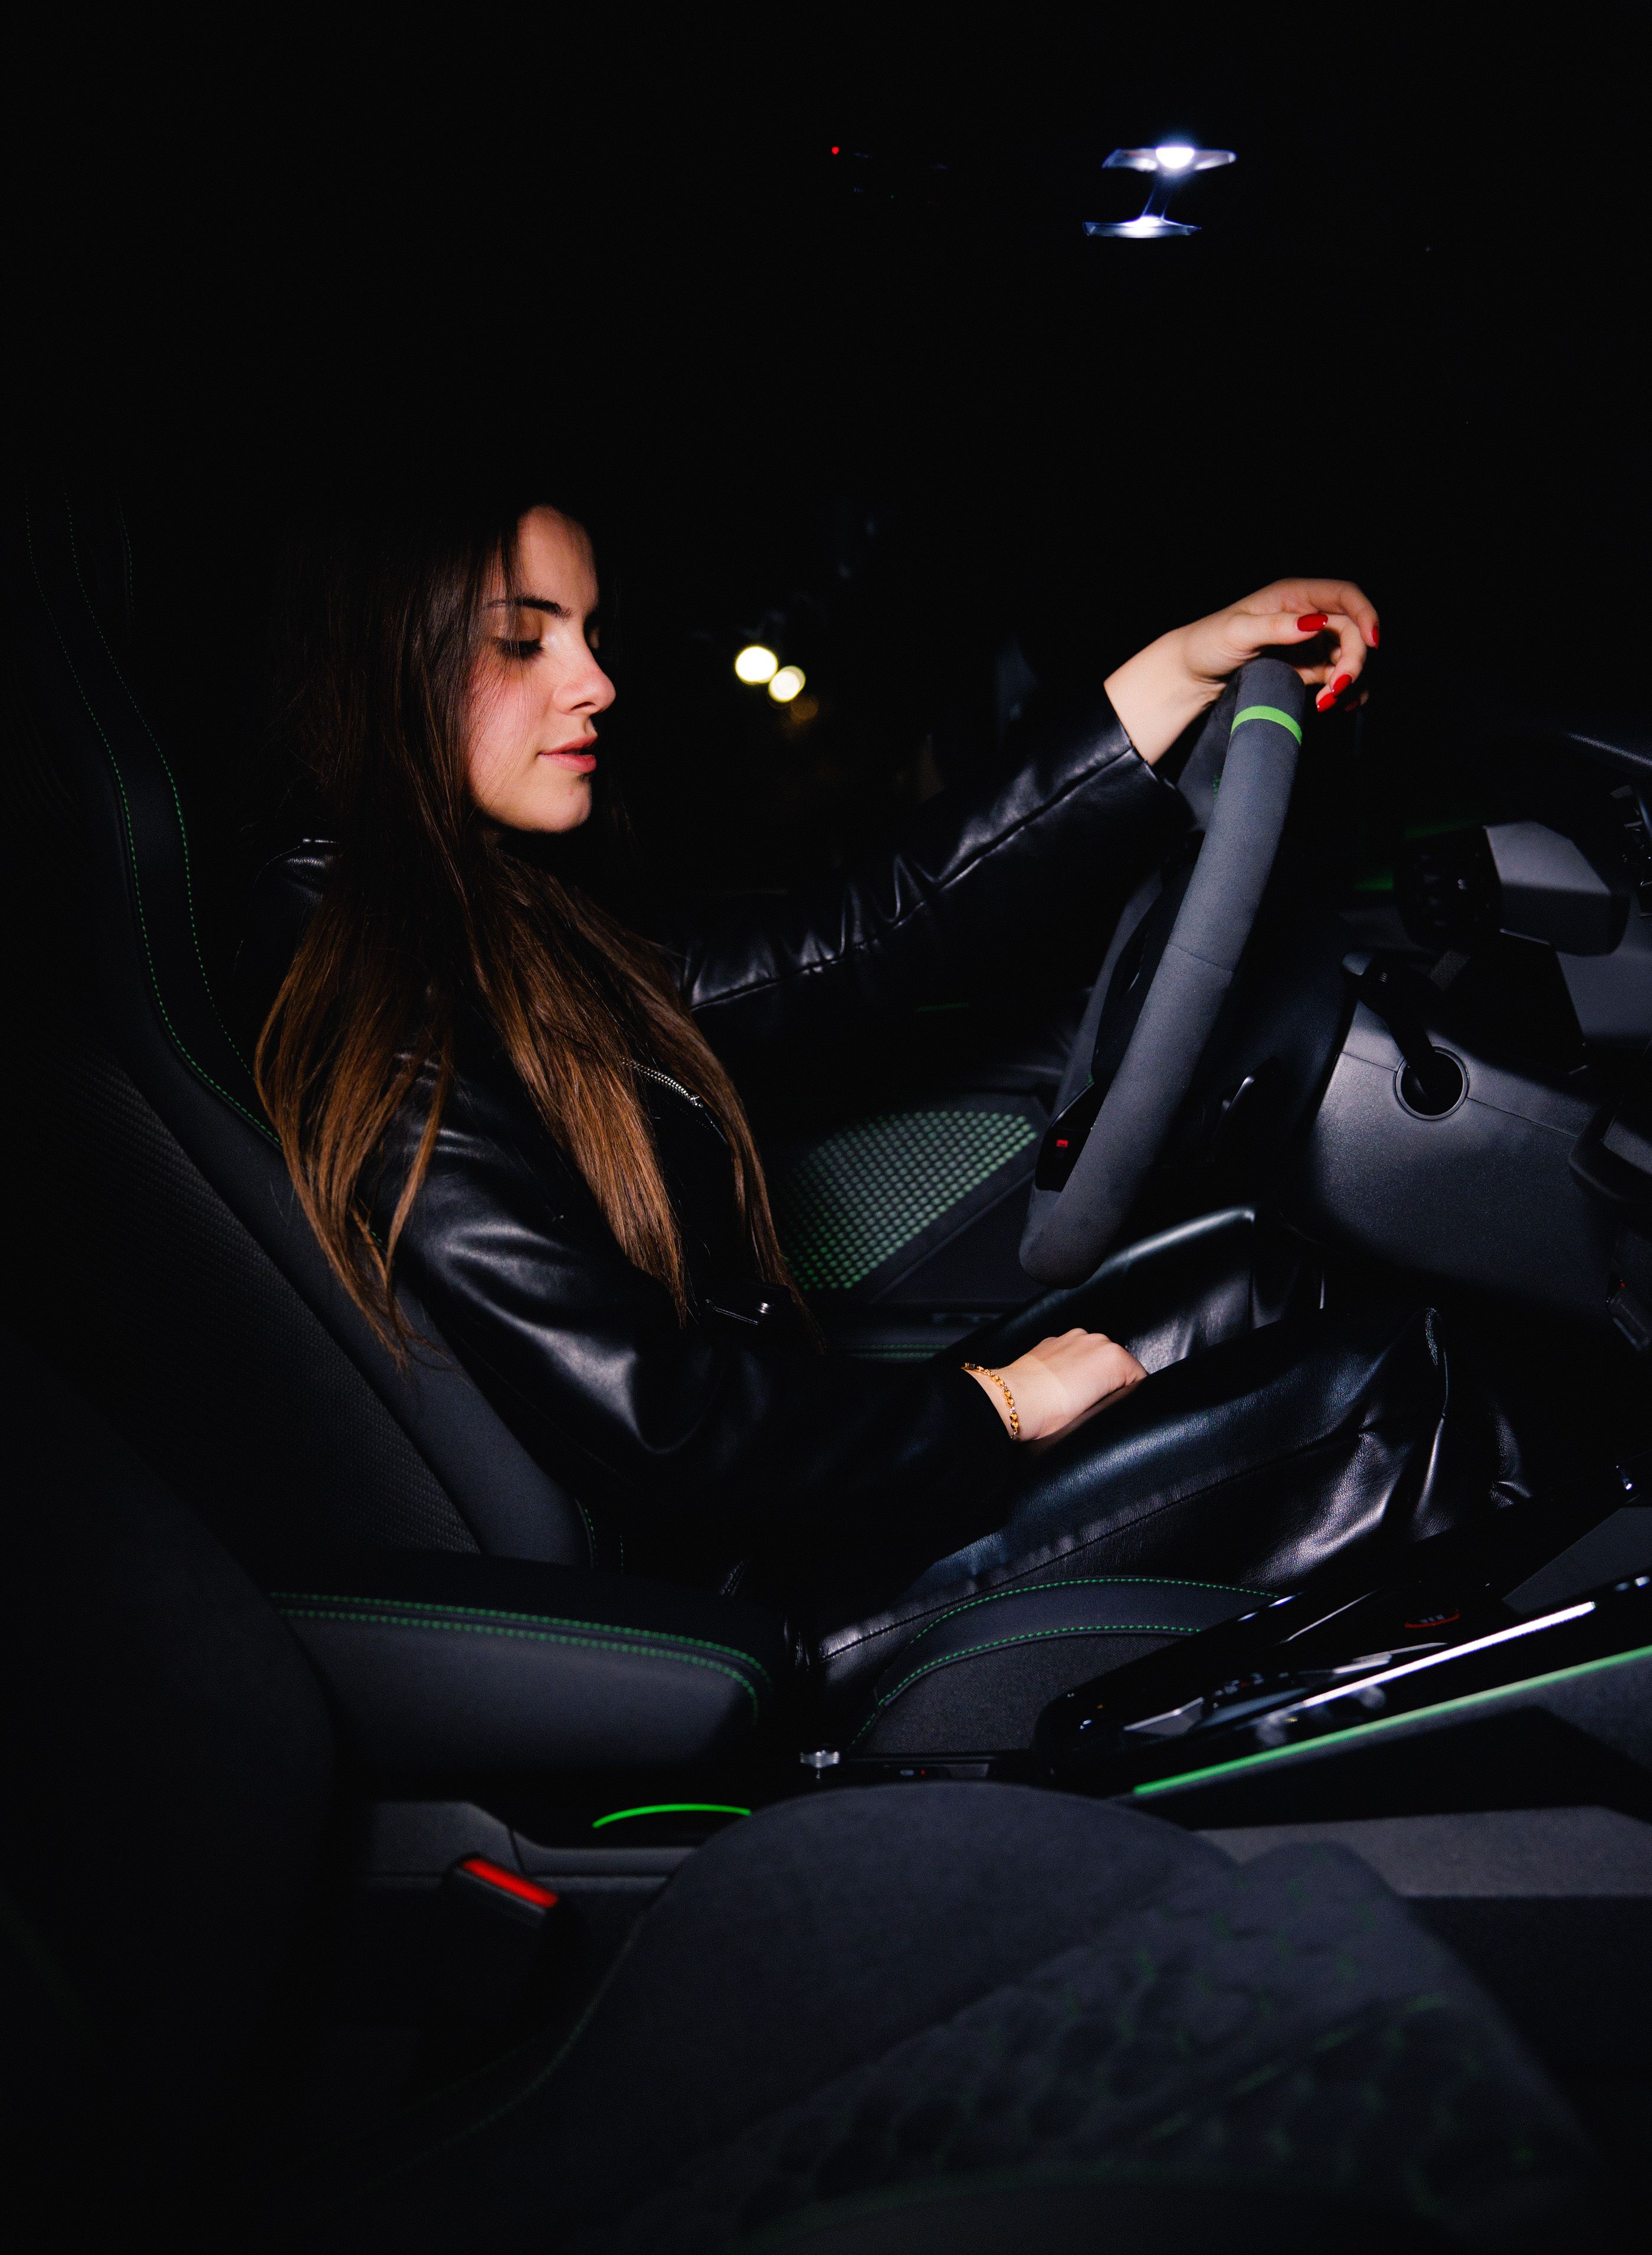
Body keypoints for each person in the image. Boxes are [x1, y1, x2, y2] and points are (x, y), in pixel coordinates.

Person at [251, 500, 1507, 1651]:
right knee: (1392, 1386)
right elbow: (652, 1420)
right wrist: (998, 1408)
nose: (596, 682)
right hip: (745, 1606)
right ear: (388, 664)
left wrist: (1181, 667)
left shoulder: (508, 931)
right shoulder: (380, 1000)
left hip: (782, 1513)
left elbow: (861, 935)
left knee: (1263, 1275)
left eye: (587, 634)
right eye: (525, 643)